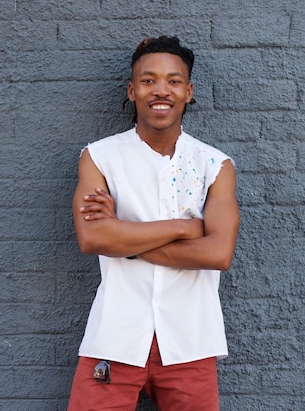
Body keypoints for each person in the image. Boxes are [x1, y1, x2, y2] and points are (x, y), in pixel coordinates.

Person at [67, 35, 240, 410]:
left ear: (189, 91)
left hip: (190, 341)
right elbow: (93, 238)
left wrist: (126, 240)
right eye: (148, 80)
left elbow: (217, 252)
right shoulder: (100, 157)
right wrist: (185, 227)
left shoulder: (215, 166)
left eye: (174, 81)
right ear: (131, 91)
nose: (161, 90)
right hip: (115, 336)